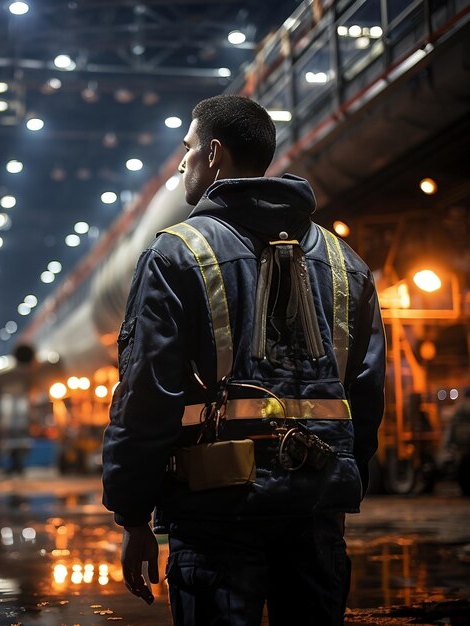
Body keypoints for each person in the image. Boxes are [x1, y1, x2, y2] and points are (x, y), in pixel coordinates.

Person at [102, 95, 386, 625]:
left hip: (215, 514)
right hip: (316, 509)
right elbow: (366, 395)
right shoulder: (346, 262)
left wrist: (133, 515)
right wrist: (339, 482)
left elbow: (147, 396)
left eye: (186, 149)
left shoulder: (177, 254)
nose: (182, 161)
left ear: (213, 155)